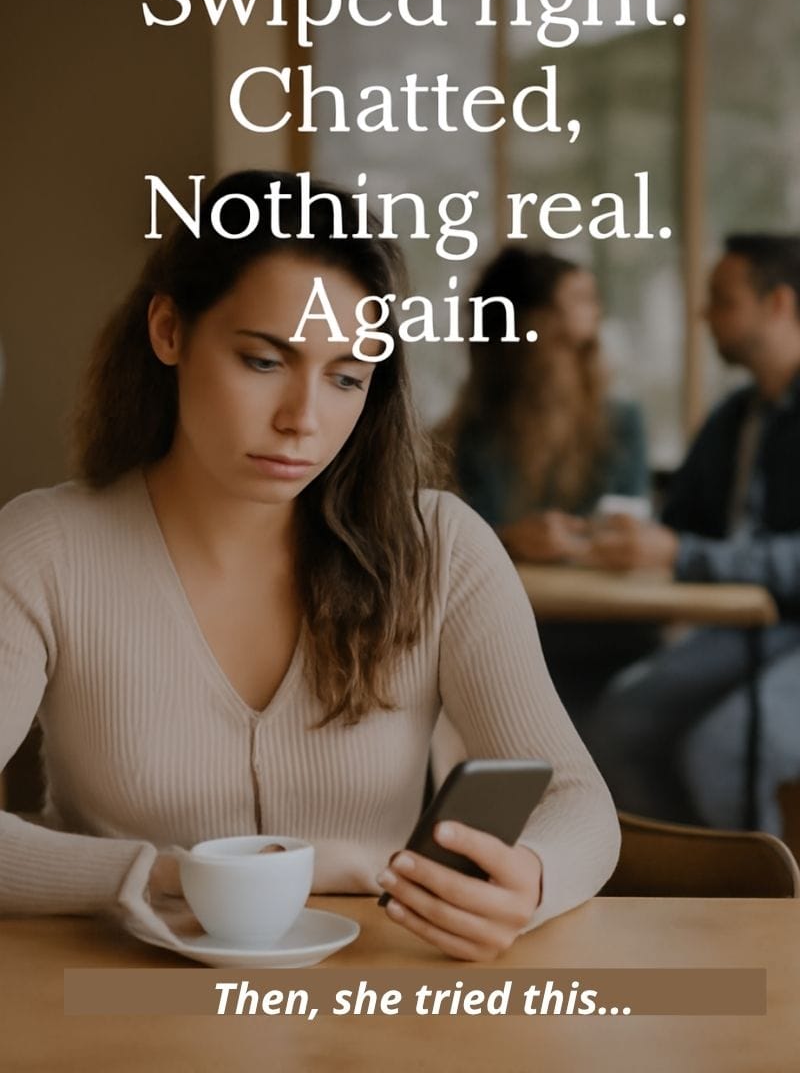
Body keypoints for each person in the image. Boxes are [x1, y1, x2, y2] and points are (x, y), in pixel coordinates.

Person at [0, 170, 619, 961]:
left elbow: (579, 802)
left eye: (346, 378)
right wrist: (171, 876)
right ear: (169, 330)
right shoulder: (45, 547)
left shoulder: (442, 549)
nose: (303, 420)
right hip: (111, 993)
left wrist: (528, 880)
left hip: (372, 999)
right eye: (264, 362)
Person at [586, 234, 800, 834]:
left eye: (722, 301)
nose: (705, 316)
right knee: (617, 726)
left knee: (723, 754)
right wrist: (603, 536)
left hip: (785, 628)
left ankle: (756, 895)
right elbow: (679, 525)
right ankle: (688, 878)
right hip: (747, 628)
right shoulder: (736, 417)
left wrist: (684, 554)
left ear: (779, 304)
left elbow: (690, 548)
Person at [440, 246, 654, 722]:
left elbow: (627, 523)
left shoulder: (621, 424)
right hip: (502, 632)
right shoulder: (469, 434)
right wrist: (510, 539)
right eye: (578, 300)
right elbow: (447, 543)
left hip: (608, 630)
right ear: (529, 321)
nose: (594, 316)